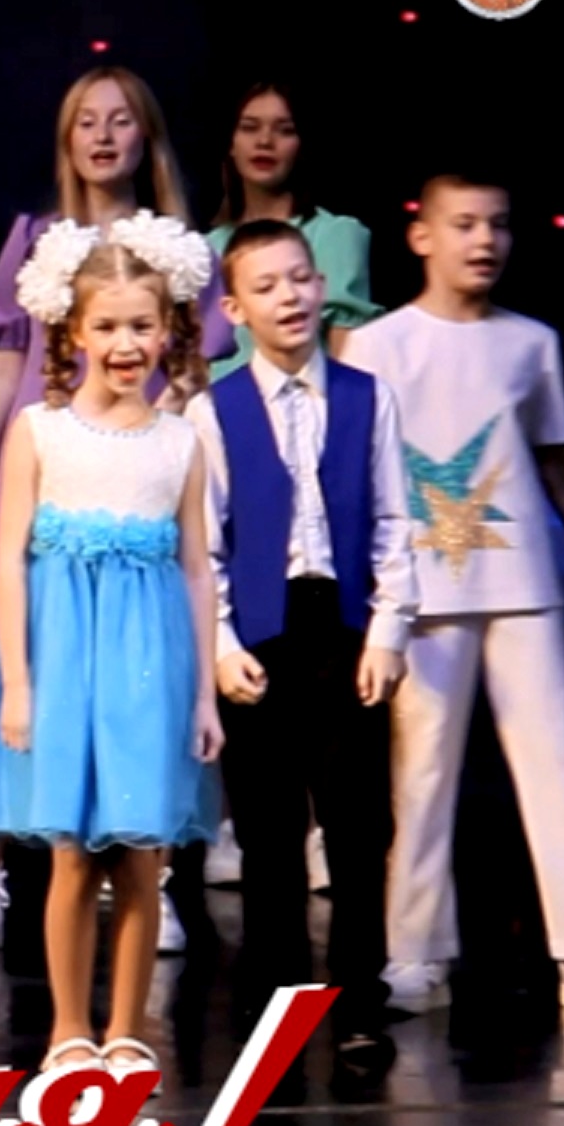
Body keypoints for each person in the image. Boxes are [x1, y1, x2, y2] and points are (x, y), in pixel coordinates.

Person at [341, 174, 564, 1017]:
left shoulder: (530, 343)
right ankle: (415, 951)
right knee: (420, 773)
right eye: (465, 223)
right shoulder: (377, 345)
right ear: (422, 235)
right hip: (420, 591)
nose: (484, 240)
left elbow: (559, 465)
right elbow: (355, 477)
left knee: (554, 764)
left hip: (522, 588)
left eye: (498, 225)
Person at [0, 67, 231, 954]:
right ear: (66, 140)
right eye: (85, 122)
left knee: (138, 678)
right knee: (25, 663)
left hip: (136, 472)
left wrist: (160, 425)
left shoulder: (174, 249)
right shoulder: (40, 240)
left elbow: (194, 363)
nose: (103, 136)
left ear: (148, 137)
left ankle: (149, 872)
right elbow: (5, 359)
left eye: (120, 121)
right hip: (54, 469)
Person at [0, 211, 224, 1090]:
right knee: (71, 851)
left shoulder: (179, 440)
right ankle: (70, 1026)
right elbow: (9, 559)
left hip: (149, 662)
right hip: (62, 658)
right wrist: (18, 683)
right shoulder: (40, 429)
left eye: (142, 325)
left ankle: (126, 1026)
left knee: (142, 852)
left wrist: (205, 692)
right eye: (106, 326)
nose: (125, 344)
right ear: (73, 331)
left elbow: (196, 569)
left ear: (168, 329)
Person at [187, 217, 414, 1059]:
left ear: (322, 286)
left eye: (300, 278)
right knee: (269, 832)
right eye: (266, 286)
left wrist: (389, 630)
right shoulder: (214, 411)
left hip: (345, 628)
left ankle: (358, 998)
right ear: (235, 309)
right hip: (262, 633)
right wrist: (220, 645)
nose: (289, 296)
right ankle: (278, 998)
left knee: (358, 826)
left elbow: (394, 521)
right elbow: (204, 547)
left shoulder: (367, 397)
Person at [206, 82, 377, 376]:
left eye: (284, 130)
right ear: (231, 143)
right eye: (250, 128)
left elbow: (349, 358)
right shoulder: (207, 248)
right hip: (219, 402)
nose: (264, 141)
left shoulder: (335, 236)